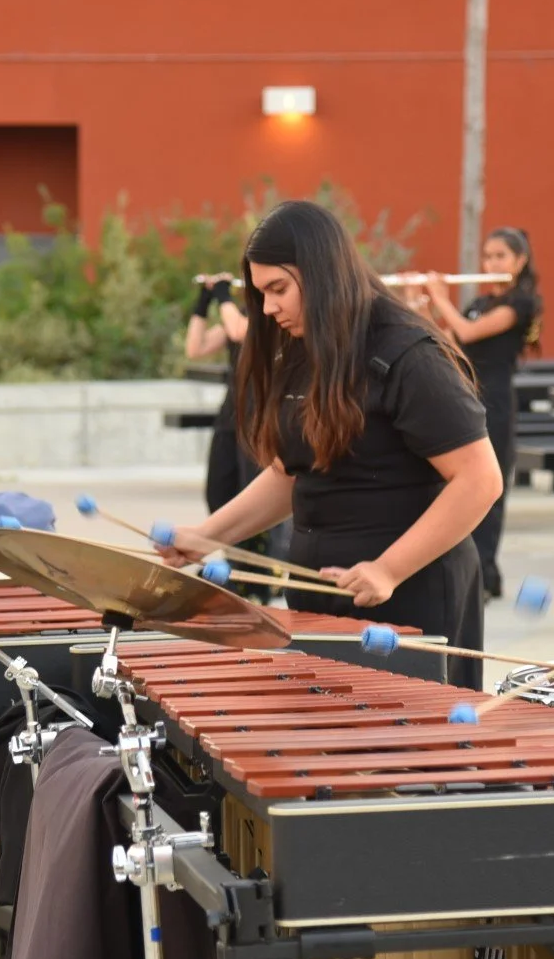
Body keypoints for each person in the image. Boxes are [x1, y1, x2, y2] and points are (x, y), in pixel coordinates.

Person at [155, 201, 503, 690]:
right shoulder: (308, 350)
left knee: (409, 738)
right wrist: (206, 537)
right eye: (261, 293)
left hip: (410, 598)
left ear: (322, 274)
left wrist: (389, 569)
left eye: (279, 289)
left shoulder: (408, 354)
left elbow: (480, 479)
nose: (268, 308)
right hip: (322, 597)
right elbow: (293, 472)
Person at [416, 227, 542, 601]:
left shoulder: (521, 304)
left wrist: (441, 298)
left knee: (489, 487)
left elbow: (469, 333)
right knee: (461, 487)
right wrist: (421, 308)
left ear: (519, 261)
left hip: (496, 401)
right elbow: (451, 342)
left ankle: (485, 574)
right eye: (488, 256)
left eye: (501, 256)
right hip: (466, 396)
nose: (492, 263)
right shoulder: (480, 302)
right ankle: (474, 572)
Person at [186, 273, 252, 514]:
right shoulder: (239, 314)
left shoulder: (271, 318)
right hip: (231, 416)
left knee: (249, 495)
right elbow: (196, 348)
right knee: (218, 493)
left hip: (259, 420)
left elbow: (238, 331)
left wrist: (223, 295)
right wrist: (203, 302)